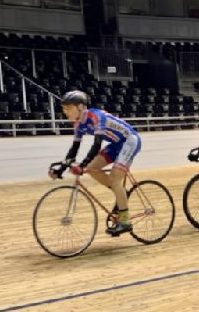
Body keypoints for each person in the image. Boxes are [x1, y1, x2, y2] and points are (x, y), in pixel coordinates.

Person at [50, 90, 141, 236]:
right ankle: (121, 193)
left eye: (68, 108)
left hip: (130, 141)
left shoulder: (96, 116)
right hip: (116, 144)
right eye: (64, 108)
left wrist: (81, 165)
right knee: (92, 169)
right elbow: (74, 149)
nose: (65, 111)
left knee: (114, 179)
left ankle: (125, 222)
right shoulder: (78, 123)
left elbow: (97, 144)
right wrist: (61, 169)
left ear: (80, 107)